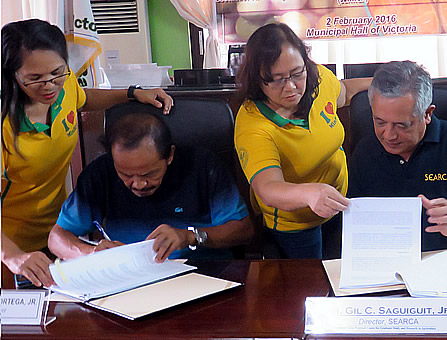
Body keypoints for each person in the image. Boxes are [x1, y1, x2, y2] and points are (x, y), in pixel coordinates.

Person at [1, 19, 173, 287]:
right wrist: (11, 256)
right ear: (11, 74)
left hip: (53, 235)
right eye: (34, 78)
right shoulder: (4, 126)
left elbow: (84, 98)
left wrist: (132, 93)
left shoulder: (64, 88)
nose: (49, 85)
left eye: (57, 72)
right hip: (11, 249)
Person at [233, 23, 370, 259]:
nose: (291, 86)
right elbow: (267, 188)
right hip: (296, 223)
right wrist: (309, 194)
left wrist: (386, 82)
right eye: (276, 80)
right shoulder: (253, 124)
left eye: (297, 73)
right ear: (257, 79)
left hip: (340, 201)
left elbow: (344, 92)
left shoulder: (318, 80)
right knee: (310, 285)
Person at [348, 61, 447, 251]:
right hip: (388, 258)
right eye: (380, 122)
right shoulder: (365, 151)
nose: (389, 135)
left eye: (402, 125)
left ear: (427, 114)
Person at [47, 111, 252, 262]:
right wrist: (91, 253)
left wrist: (190, 236)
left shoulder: (202, 166)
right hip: (130, 279)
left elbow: (243, 230)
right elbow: (56, 238)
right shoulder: (100, 173)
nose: (138, 184)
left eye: (149, 174)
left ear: (169, 155)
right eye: (125, 174)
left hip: (201, 274)